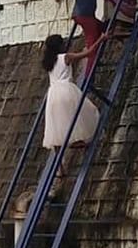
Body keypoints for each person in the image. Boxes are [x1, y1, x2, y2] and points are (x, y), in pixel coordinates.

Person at [42, 32, 109, 169]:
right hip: (66, 90)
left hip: (53, 93)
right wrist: (100, 39)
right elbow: (89, 53)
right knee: (83, 113)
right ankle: (78, 141)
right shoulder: (65, 57)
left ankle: (60, 168)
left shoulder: (48, 61)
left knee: (56, 128)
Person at [70, 0, 104, 79]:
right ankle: (89, 76)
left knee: (101, 28)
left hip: (78, 14)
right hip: (87, 15)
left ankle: (92, 61)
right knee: (92, 48)